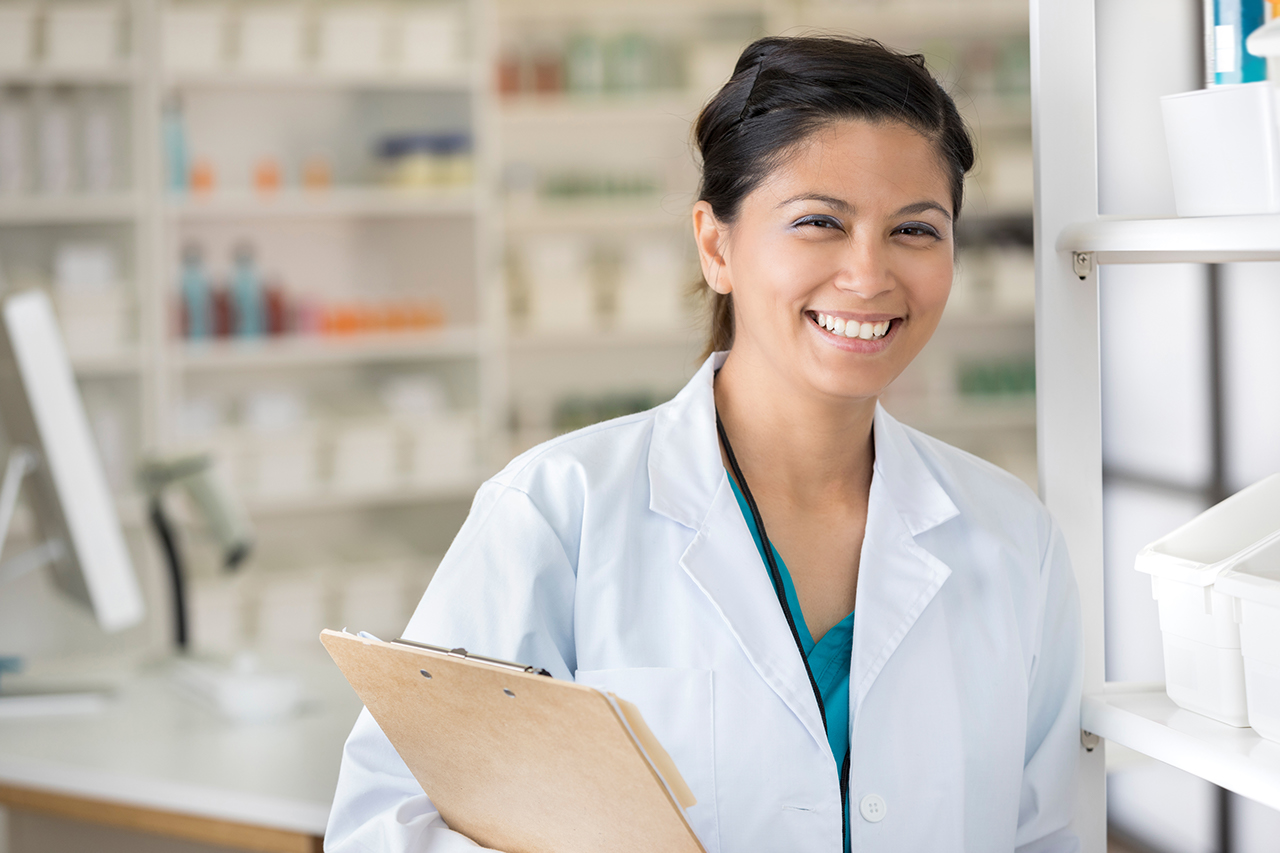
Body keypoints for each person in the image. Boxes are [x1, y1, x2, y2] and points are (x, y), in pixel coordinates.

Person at [326, 35, 1082, 853]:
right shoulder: (556, 512)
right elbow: (383, 826)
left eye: (915, 230)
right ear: (717, 246)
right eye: (819, 222)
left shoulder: (1011, 537)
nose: (868, 275)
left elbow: (1045, 834)